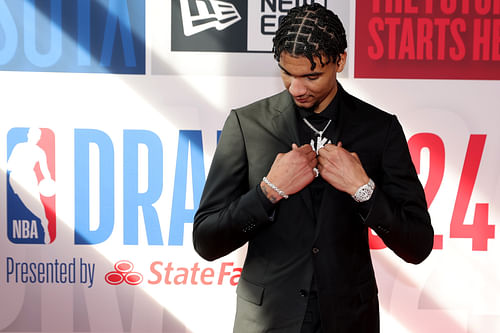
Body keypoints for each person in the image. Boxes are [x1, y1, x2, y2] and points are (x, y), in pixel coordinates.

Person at [193, 4, 434, 333]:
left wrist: (364, 190)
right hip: (268, 321)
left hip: (350, 320)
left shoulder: (379, 129)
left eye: (311, 76)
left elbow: (418, 245)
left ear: (340, 61)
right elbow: (207, 241)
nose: (296, 88)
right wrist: (268, 193)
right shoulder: (247, 125)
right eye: (286, 73)